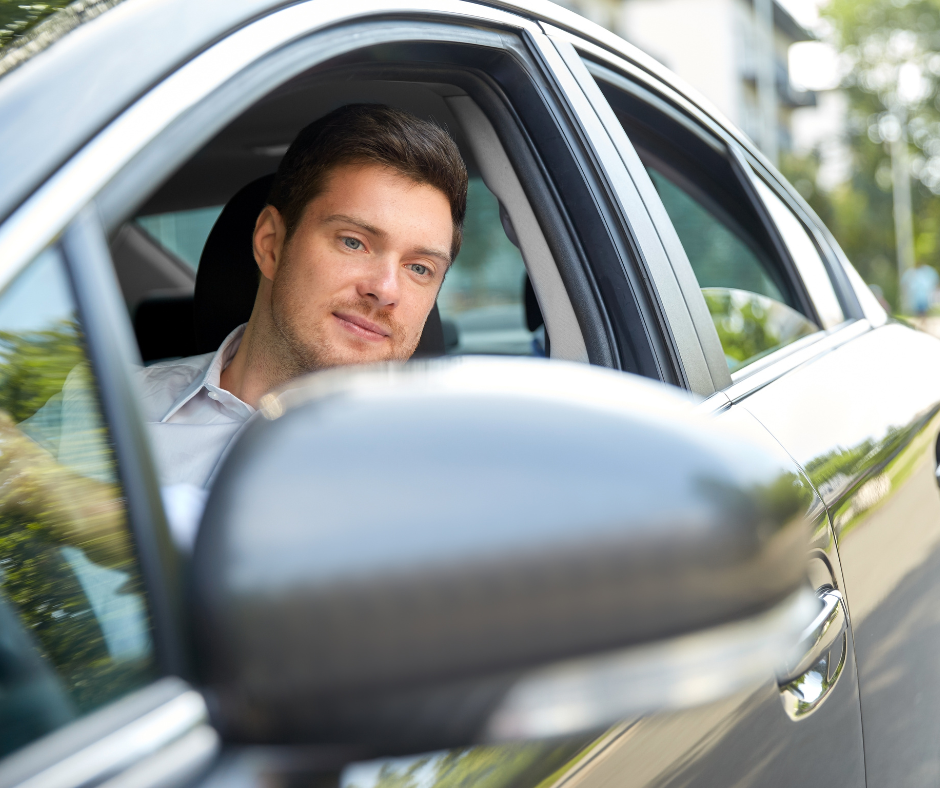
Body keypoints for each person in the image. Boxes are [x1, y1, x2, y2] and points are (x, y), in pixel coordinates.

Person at [13, 103, 469, 551]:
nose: (385, 289)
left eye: (420, 268)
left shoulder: (433, 474)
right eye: (354, 242)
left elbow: (267, 556)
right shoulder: (103, 406)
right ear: (271, 244)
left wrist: (50, 490)